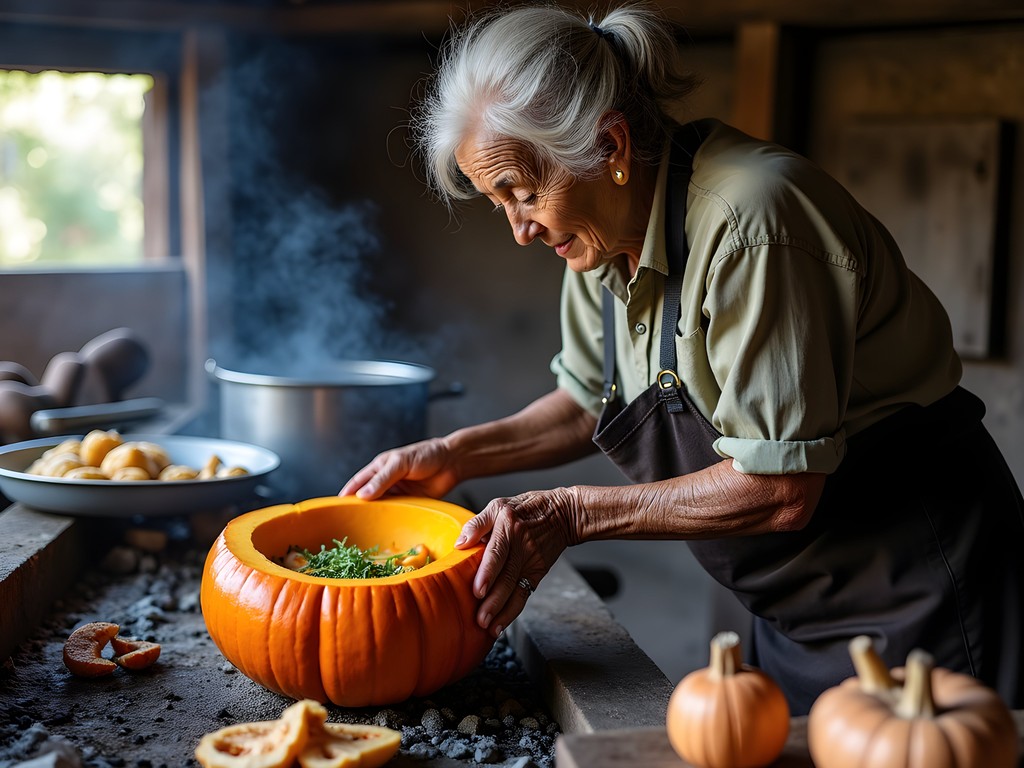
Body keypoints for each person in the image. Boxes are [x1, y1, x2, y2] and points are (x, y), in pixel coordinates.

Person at [340, 0, 1024, 715]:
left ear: (609, 148)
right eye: (499, 202)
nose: (520, 230)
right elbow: (583, 404)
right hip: (788, 607)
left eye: (525, 193)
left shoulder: (753, 223)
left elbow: (782, 487)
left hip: (918, 590)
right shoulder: (597, 242)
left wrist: (572, 513)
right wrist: (453, 455)